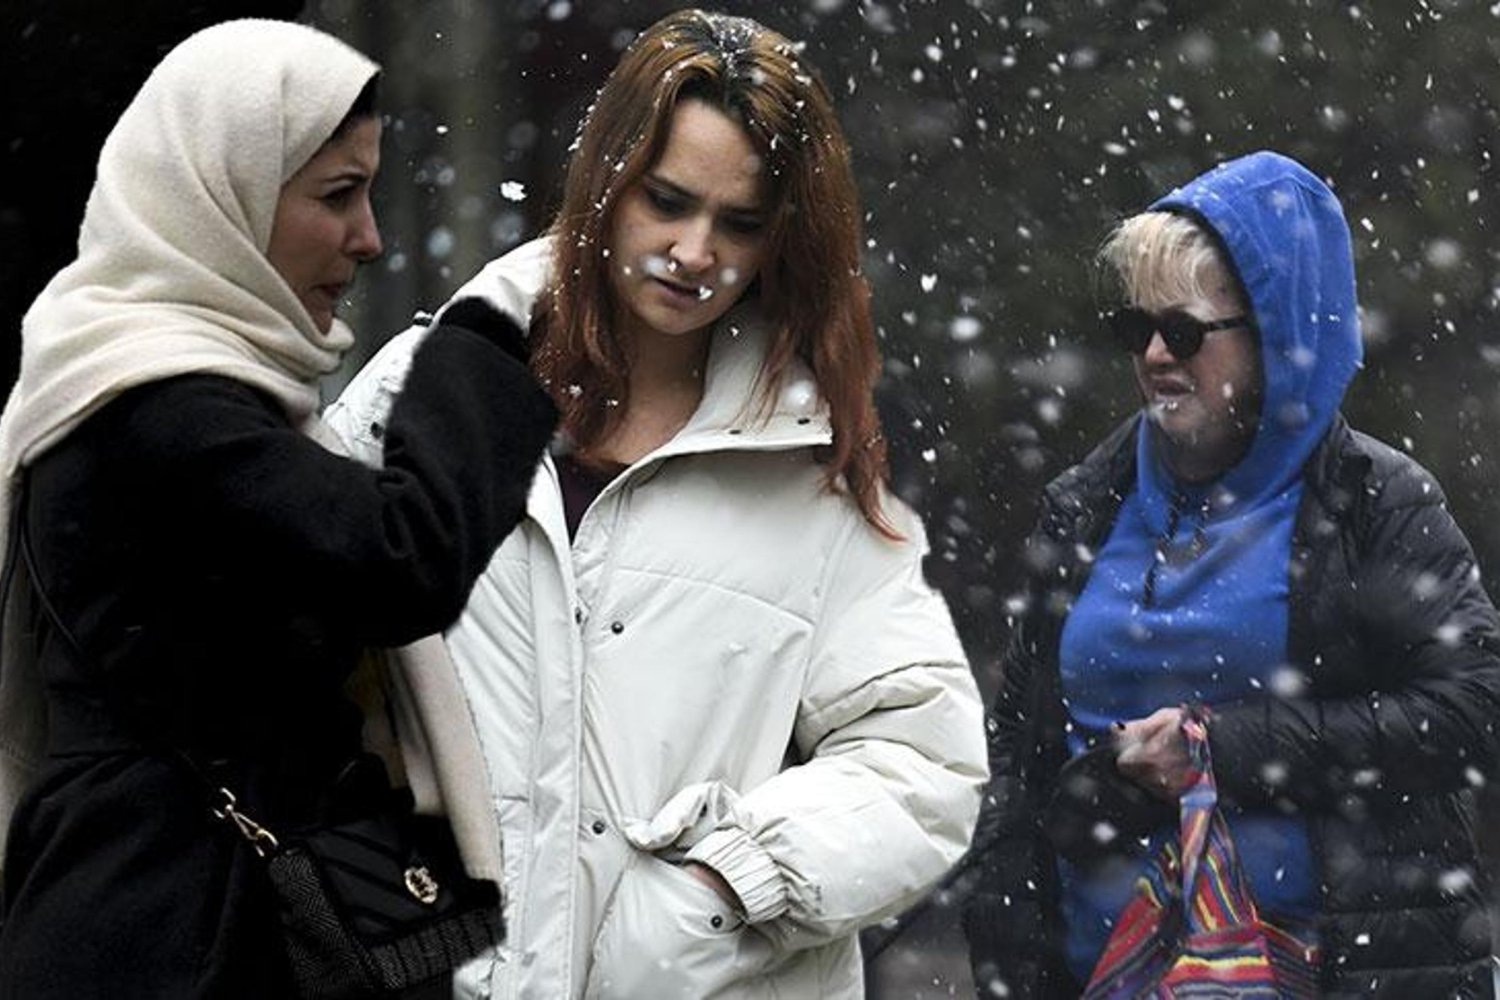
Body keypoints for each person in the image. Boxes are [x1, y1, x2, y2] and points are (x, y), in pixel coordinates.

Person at [326, 9, 988, 998]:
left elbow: (922, 761)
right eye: (667, 201)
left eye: (740, 223)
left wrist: (726, 887)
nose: (693, 250)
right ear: (608, 181)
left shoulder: (806, 465)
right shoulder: (422, 391)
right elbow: (272, 661)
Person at [0, 19, 557, 997]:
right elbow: (402, 559)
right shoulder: (159, 405)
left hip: (183, 902)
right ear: (224, 197)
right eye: (338, 194)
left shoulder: (137, 373)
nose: (370, 238)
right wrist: (483, 338)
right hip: (172, 929)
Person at [961, 149, 1500, 998]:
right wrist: (1013, 908)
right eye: (1133, 329)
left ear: (1279, 336)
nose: (1153, 355)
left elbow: (1474, 709)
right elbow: (1017, 753)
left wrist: (1227, 751)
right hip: (1094, 976)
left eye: (1183, 331)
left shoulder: (1376, 500)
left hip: (1335, 973)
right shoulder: (1085, 503)